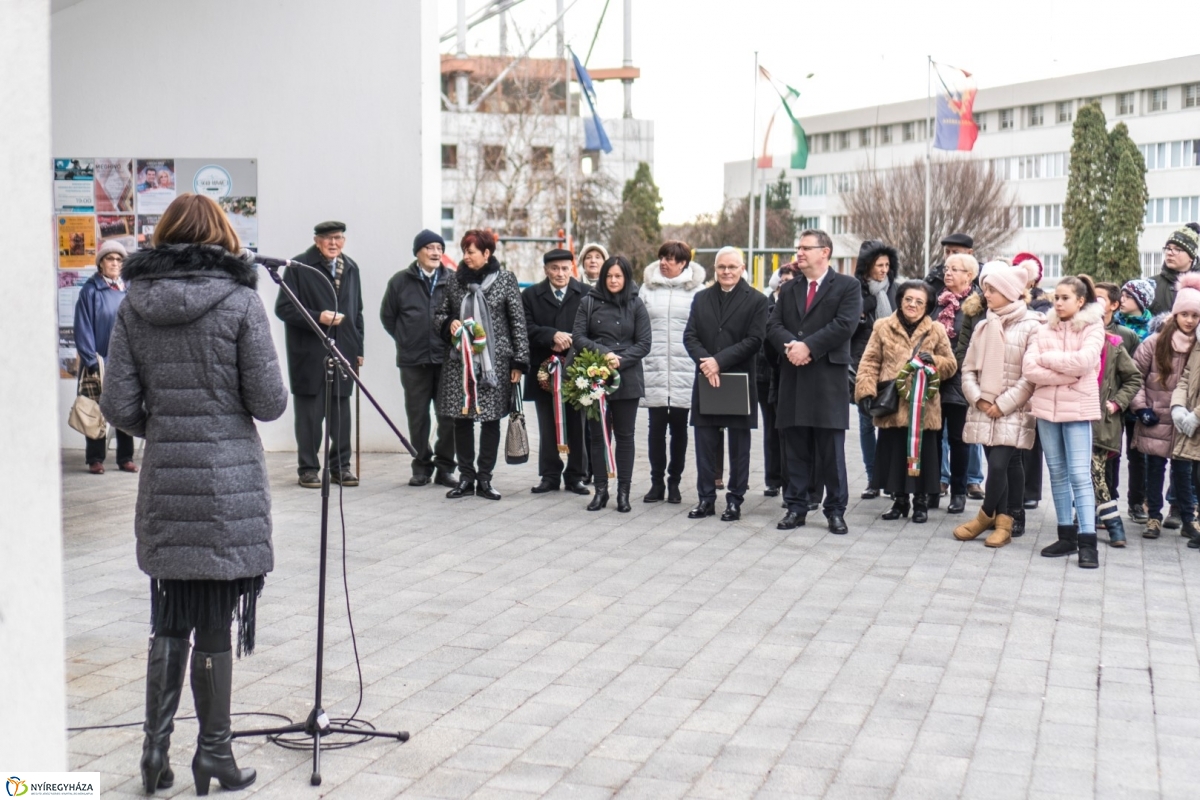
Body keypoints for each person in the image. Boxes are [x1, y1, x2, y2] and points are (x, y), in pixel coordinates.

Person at [99, 193, 287, 795]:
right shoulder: (240, 301)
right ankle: (214, 755)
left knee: (169, 616)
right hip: (226, 483)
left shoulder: (133, 307)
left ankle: (154, 755)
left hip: (166, 479)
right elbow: (269, 401)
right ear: (223, 237)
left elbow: (119, 407)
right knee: (213, 622)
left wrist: (172, 428)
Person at [766, 229, 862, 534]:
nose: (800, 253)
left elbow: (845, 324)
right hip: (793, 375)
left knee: (830, 448)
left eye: (806, 248)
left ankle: (835, 510)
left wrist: (809, 347)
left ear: (825, 252)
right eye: (798, 248)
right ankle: (796, 506)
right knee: (794, 445)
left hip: (827, 378)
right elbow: (773, 324)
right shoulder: (791, 287)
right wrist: (792, 346)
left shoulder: (847, 285)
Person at [435, 230, 528, 501]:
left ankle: (485, 479)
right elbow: (440, 313)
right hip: (459, 363)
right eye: (464, 251)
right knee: (461, 419)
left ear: (486, 254)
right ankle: (466, 477)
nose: (465, 256)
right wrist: (447, 323)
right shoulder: (454, 281)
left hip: (495, 364)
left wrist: (519, 361)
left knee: (490, 420)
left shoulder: (505, 280)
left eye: (471, 251)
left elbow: (517, 322)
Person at [954, 266, 1042, 547]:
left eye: (991, 289)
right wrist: (978, 398)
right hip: (983, 407)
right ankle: (1004, 521)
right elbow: (967, 368)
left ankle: (984, 516)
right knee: (1006, 463)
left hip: (1012, 409)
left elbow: (1031, 375)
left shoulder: (1032, 325)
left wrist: (1002, 404)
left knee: (999, 463)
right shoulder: (983, 324)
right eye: (986, 289)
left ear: (1007, 291)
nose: (985, 294)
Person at [855, 281, 957, 523]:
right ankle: (899, 502)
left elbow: (951, 365)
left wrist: (933, 360)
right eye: (908, 299)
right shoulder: (882, 327)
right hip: (892, 404)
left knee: (924, 454)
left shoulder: (937, 330)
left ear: (928, 306)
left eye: (919, 301)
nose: (913, 304)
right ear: (900, 300)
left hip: (924, 407)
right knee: (894, 453)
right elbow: (869, 362)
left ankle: (920, 502)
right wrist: (866, 392)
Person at [1023, 276, 1106, 568]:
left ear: (1080, 301)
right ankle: (1066, 536)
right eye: (1056, 297)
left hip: (1078, 411)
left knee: (1079, 475)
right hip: (1047, 410)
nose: (1057, 303)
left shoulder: (1094, 326)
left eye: (1064, 298)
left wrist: (1050, 360)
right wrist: (1067, 372)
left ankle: (1087, 542)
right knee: (1057, 473)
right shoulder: (1044, 328)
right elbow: (1030, 368)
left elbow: (1086, 362)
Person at [275, 221, 364, 488]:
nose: (333, 243)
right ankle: (308, 469)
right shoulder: (299, 266)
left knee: (341, 416)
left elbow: (357, 312)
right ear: (317, 241)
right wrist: (318, 317)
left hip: (344, 350)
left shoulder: (350, 267)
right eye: (327, 238)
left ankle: (340, 467)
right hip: (309, 353)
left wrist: (359, 348)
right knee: (310, 418)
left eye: (338, 238)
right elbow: (284, 309)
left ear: (344, 241)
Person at [683, 246, 768, 521]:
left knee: (739, 445)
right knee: (705, 441)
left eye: (732, 267)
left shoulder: (756, 300)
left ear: (742, 268)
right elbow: (690, 336)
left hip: (738, 380)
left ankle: (735, 500)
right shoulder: (701, 298)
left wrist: (718, 361)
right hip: (707, 378)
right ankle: (706, 498)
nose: (727, 272)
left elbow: (755, 340)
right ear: (715, 269)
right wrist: (707, 363)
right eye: (722, 267)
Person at [572, 255, 652, 512]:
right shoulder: (589, 302)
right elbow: (579, 337)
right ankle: (601, 491)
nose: (614, 280)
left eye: (619, 276)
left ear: (626, 278)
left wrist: (621, 360)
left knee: (625, 436)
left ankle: (624, 493)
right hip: (595, 374)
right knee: (598, 436)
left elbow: (644, 343)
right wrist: (603, 353)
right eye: (609, 276)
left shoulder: (636, 304)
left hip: (627, 376)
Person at [380, 229, 457, 487]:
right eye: (430, 248)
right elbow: (387, 317)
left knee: (449, 416)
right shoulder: (400, 281)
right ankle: (421, 466)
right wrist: (406, 339)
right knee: (418, 417)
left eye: (439, 248)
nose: (436, 252)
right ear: (418, 252)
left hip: (447, 360)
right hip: (413, 361)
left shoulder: (453, 281)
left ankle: (445, 468)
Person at [1130, 274, 1200, 539]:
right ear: (1176, 314)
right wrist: (1140, 408)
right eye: (1185, 314)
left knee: (1184, 472)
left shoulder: (1199, 345)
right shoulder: (1155, 342)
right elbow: (1135, 376)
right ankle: (1153, 517)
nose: (1190, 320)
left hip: (1185, 421)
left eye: (1196, 315)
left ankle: (1187, 517)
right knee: (1155, 469)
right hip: (1156, 418)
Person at [640, 240, 705, 504]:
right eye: (662, 257)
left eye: (671, 259)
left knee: (679, 429)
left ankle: (674, 482)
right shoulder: (646, 290)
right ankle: (656, 483)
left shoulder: (698, 291)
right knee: (655, 428)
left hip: (684, 368)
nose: (664, 263)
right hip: (653, 365)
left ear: (684, 263)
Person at [523, 248, 589, 495]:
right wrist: (551, 335)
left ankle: (576, 476)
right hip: (544, 370)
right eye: (555, 269)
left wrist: (572, 340)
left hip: (578, 369)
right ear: (546, 270)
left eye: (565, 268)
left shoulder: (586, 294)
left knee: (577, 423)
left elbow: (594, 327)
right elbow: (525, 327)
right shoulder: (530, 295)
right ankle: (550, 475)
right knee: (547, 423)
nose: (560, 273)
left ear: (572, 269)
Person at [1087, 282, 1143, 548]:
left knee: (1097, 470)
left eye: (1100, 299)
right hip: (1076, 415)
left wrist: (1117, 403)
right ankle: (1086, 518)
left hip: (1104, 418)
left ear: (1112, 305)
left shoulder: (1117, 340)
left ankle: (1112, 523)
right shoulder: (1077, 335)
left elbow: (1133, 377)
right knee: (1083, 471)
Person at [74, 240, 136, 474]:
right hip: (98, 362)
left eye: (119, 259)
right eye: (110, 259)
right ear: (101, 263)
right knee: (96, 410)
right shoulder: (90, 291)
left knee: (125, 408)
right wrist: (92, 361)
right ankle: (95, 458)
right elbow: (83, 328)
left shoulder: (129, 289)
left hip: (125, 362)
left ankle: (125, 458)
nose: (115, 263)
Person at [850, 240, 899, 498]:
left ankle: (889, 479)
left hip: (892, 365)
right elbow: (849, 325)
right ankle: (873, 479)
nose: (883, 270)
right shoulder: (854, 290)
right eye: (878, 265)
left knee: (890, 424)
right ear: (867, 267)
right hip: (863, 365)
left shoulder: (896, 290)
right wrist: (867, 303)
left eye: (887, 265)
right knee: (867, 423)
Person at [933, 253, 980, 516]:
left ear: (969, 276)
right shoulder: (937, 302)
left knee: (959, 438)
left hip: (961, 378)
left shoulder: (975, 305)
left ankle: (959, 492)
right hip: (934, 378)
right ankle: (931, 489)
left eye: (955, 269)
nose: (948, 273)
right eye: (946, 268)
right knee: (933, 437)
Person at [1115, 278, 1156, 522]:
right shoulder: (1113, 324)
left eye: (1128, 296)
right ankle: (1107, 500)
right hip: (1114, 398)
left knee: (1138, 455)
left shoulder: (1151, 330)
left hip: (1139, 402)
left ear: (1141, 301)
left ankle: (1136, 503)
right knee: (1111, 452)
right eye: (1121, 295)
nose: (1122, 300)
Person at [758, 264, 797, 498]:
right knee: (771, 430)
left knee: (787, 432)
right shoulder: (768, 306)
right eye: (782, 281)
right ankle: (772, 479)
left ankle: (789, 481)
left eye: (789, 281)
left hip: (787, 375)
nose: (784, 285)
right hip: (765, 376)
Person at [1149, 226, 1200, 315]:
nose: (1169, 253)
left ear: (1191, 257)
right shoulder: (1151, 285)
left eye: (1177, 249)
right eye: (1168, 248)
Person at [924, 232, 975, 298]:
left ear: (969, 253)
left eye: (955, 252)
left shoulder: (981, 277)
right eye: (947, 252)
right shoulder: (935, 276)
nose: (950, 256)